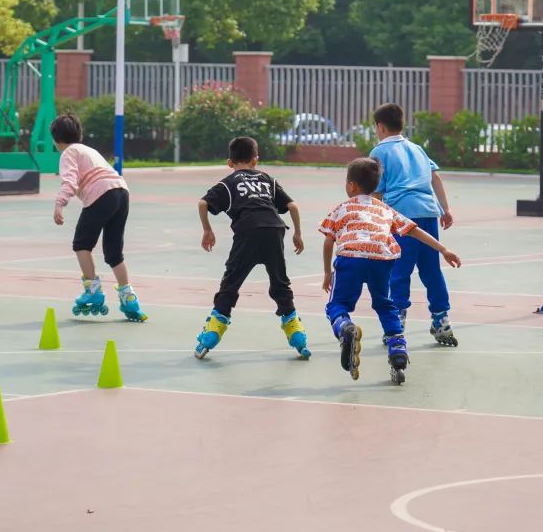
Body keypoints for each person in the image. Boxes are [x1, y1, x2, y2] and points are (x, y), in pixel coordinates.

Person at [320, 158, 462, 385]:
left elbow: (329, 241)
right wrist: (443, 249)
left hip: (350, 258)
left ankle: (345, 328)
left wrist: (328, 272)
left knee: (337, 305)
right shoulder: (385, 209)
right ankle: (397, 351)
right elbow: (414, 231)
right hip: (381, 258)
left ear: (351, 186)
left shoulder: (341, 208)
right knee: (385, 305)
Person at [195, 136, 308, 359]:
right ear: (256, 160)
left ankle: (210, 336)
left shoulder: (229, 182)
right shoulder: (267, 179)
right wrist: (297, 233)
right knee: (280, 283)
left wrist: (207, 230)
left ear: (230, 162)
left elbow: (202, 203)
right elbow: (292, 205)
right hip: (275, 230)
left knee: (230, 284)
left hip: (248, 233)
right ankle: (297, 335)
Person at [369, 102, 458, 346]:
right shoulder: (417, 148)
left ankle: (396, 323)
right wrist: (446, 209)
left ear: (381, 127)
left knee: (399, 271)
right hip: (428, 212)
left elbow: (376, 191)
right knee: (431, 270)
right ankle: (441, 320)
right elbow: (435, 177)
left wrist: (372, 220)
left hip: (401, 216)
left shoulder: (379, 152)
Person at [51, 113, 146, 321]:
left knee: (81, 244)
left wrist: (60, 203)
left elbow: (70, 181)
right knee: (114, 252)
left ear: (56, 140)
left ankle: (93, 290)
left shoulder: (68, 153)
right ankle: (129, 298)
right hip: (121, 192)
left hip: (101, 194)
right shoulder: (88, 150)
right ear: (79, 134)